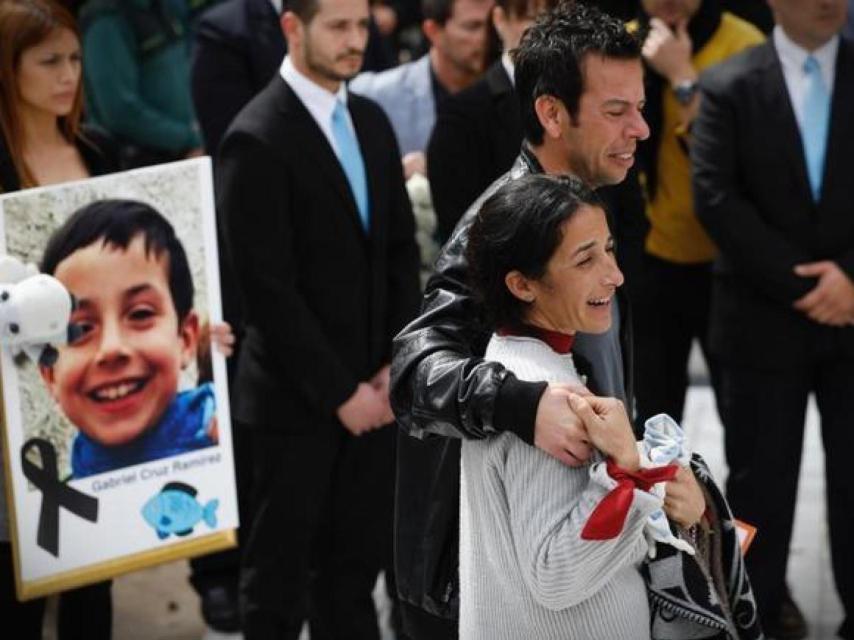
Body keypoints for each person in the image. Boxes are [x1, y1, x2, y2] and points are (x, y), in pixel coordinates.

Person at [390, 4, 649, 638]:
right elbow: (414, 372)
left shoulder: (596, 199)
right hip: (499, 589)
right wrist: (520, 403)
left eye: (640, 107)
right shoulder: (498, 226)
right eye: (616, 111)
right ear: (552, 114)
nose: (640, 128)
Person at [461, 173, 762, 640]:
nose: (614, 275)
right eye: (585, 260)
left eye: (609, 249)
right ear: (522, 284)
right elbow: (556, 573)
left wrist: (660, 489)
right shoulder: (546, 397)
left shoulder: (527, 368)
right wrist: (631, 471)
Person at [215, 0, 422, 635]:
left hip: (376, 394)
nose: (355, 40)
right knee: (276, 588)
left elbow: (399, 251)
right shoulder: (255, 135)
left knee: (351, 579)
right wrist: (341, 394)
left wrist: (391, 368)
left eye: (360, 25)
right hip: (292, 405)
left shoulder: (370, 119)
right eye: (337, 26)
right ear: (291, 28)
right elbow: (266, 292)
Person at [691, 0, 854, 638]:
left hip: (853, 315)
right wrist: (810, 286)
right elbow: (714, 196)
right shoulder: (728, 83)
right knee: (759, 486)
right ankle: (755, 615)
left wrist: (851, 280)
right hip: (761, 321)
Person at [0, 1, 115, 635]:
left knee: (94, 584)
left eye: (74, 59)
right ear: (7, 68)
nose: (68, 75)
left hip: (94, 402)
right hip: (10, 416)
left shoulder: (99, 151)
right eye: (49, 61)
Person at [629, 0, 763, 427]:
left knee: (747, 420)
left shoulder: (745, 46)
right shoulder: (618, 46)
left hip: (731, 260)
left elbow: (754, 164)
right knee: (652, 423)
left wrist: (682, 77)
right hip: (647, 257)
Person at [37, 199, 218, 479]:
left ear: (185, 339)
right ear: (50, 374)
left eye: (140, 314)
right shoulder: (57, 496)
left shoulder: (224, 427)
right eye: (80, 329)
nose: (111, 348)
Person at [426, 0, 556, 241]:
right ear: (499, 19)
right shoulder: (462, 114)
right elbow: (460, 229)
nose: (542, 29)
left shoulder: (582, 97)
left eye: (550, 16)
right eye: (528, 17)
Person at [349, 0, 494, 155]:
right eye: (472, 27)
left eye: (492, 26)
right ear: (433, 31)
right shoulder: (376, 95)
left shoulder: (509, 93)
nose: (486, 38)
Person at [78, 0, 204, 168]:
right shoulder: (105, 19)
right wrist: (189, 139)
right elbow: (120, 111)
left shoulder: (166, 6)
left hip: (188, 151)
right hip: (141, 162)